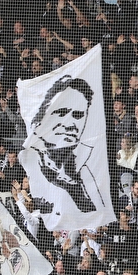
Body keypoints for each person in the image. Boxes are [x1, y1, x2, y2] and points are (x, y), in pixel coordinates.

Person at [19, 75, 109, 224]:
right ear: (43, 117)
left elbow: (98, 216)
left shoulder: (87, 166)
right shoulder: (30, 159)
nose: (71, 124)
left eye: (78, 115)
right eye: (61, 113)